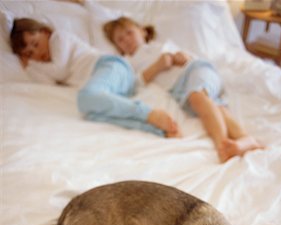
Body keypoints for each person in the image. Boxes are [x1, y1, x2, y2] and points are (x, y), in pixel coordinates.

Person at [103, 17, 264, 162]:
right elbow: (136, 83)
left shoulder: (161, 46)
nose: (126, 40)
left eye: (129, 33)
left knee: (198, 96)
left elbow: (189, 58)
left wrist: (182, 57)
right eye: (120, 40)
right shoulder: (129, 63)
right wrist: (158, 66)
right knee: (214, 107)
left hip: (195, 70)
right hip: (179, 90)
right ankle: (247, 140)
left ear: (143, 32)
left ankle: (222, 146)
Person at [10, 18, 179, 137]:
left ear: (45, 32)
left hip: (112, 67)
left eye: (36, 44)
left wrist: (31, 64)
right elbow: (46, 83)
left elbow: (59, 70)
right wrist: (29, 66)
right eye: (30, 54)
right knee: (91, 114)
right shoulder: (43, 65)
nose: (36, 53)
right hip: (108, 92)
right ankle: (156, 129)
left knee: (85, 98)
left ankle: (147, 112)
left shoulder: (59, 38)